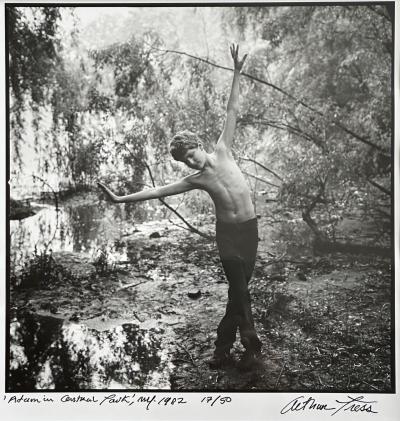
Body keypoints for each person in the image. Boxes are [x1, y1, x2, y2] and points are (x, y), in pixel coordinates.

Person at [98, 44, 262, 371]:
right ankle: (251, 340)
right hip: (228, 236)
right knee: (240, 290)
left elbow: (231, 110)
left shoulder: (223, 150)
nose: (190, 160)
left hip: (250, 230)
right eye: (184, 159)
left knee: (236, 296)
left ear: (200, 145)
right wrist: (120, 199)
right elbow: (157, 190)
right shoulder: (194, 180)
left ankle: (221, 350)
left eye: (191, 153)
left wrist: (236, 72)